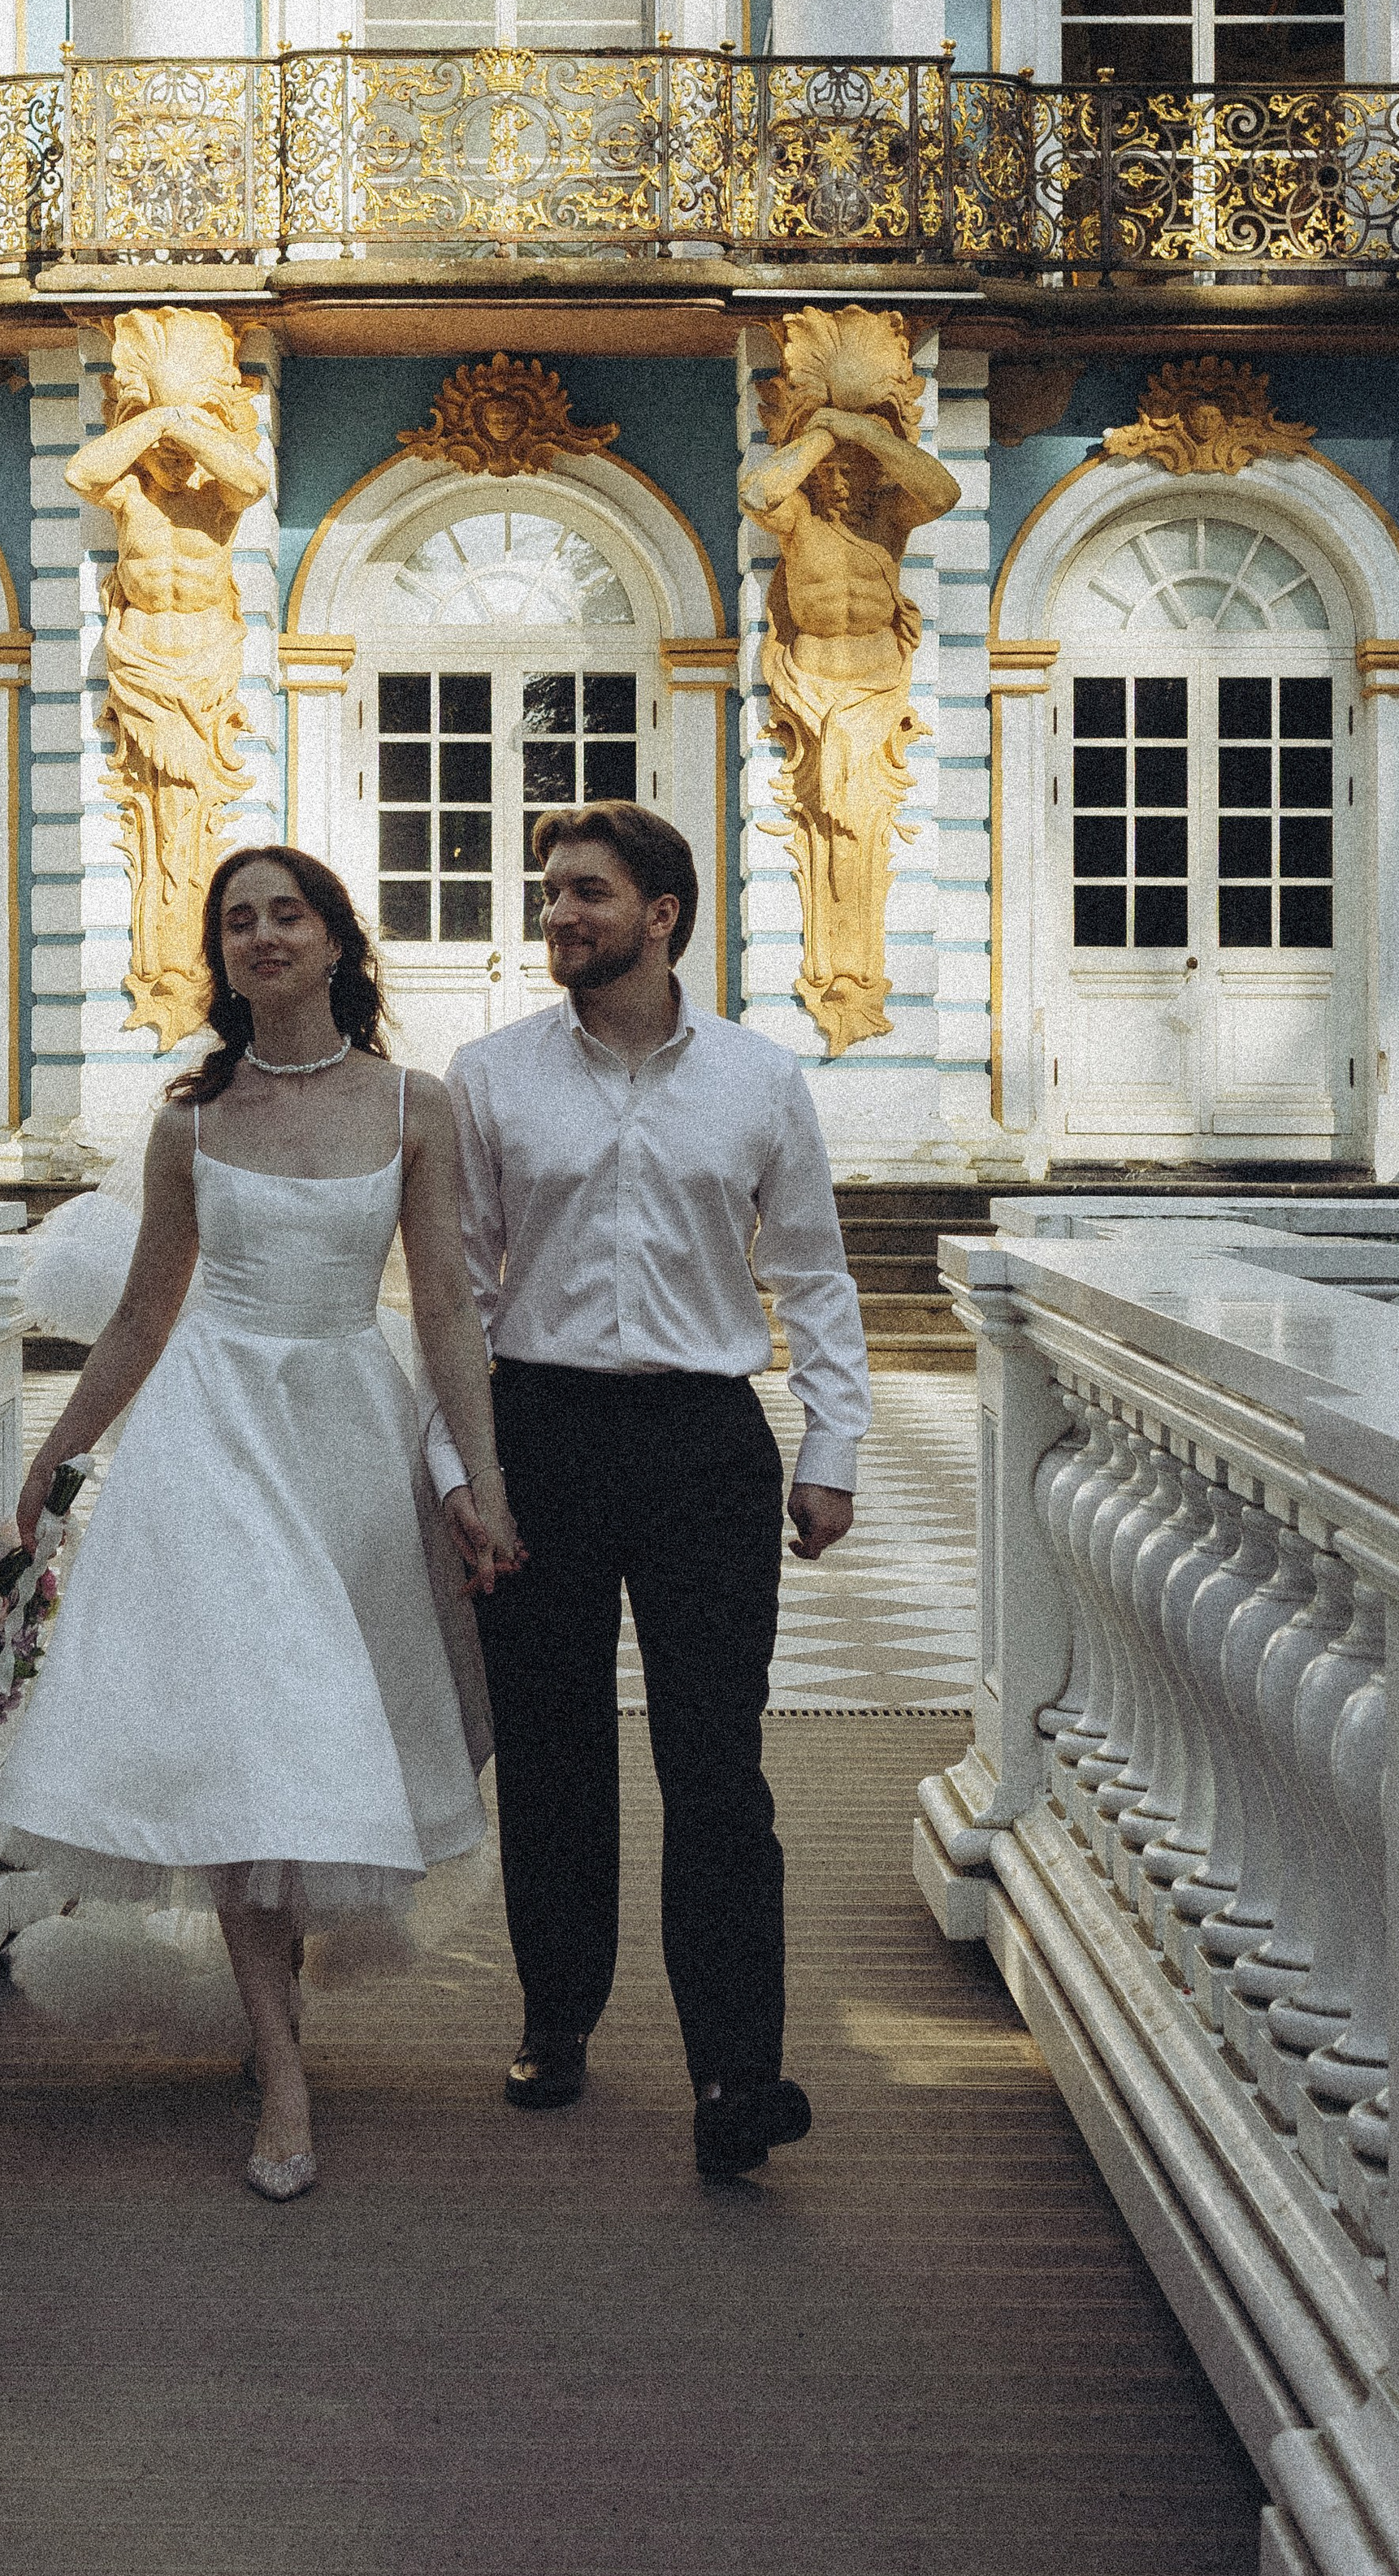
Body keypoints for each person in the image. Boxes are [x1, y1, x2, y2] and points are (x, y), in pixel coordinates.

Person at [0, 846, 520, 2202]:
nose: (263, 937)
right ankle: (280, 2067)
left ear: (337, 941)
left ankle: (277, 2017)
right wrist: (46, 1473)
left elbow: (450, 1308)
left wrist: (483, 1475)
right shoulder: (188, 1120)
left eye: (288, 915)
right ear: (221, 955)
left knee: (312, 1734)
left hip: (344, 1430)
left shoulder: (417, 1104)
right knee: (246, 1738)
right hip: (209, 1438)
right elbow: (140, 1317)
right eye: (237, 921)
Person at [423, 800, 870, 2180]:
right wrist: (463, 1471)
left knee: (716, 1767)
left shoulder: (757, 1076)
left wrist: (832, 1449)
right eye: (551, 894)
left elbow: (814, 1271)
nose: (558, 915)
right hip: (539, 1435)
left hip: (701, 1445)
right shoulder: (489, 1075)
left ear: (662, 914)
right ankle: (557, 2019)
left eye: (586, 894)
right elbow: (457, 1290)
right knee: (553, 1760)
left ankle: (739, 2069)